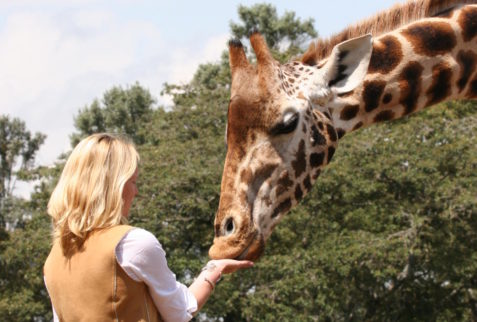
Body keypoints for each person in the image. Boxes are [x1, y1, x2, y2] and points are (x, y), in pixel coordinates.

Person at [43, 133, 253, 322]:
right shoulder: (131, 243)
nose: (135, 192)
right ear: (113, 187)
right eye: (132, 181)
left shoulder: (53, 261)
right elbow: (180, 311)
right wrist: (214, 269)